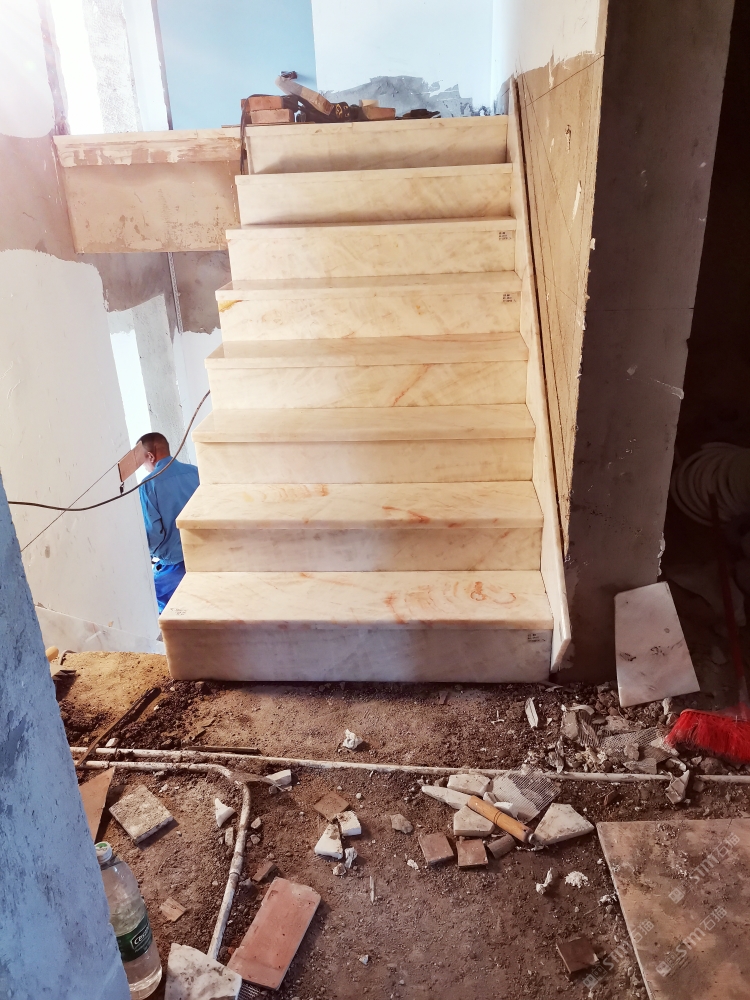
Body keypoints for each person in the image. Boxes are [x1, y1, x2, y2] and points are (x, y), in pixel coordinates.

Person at [137, 432, 199, 612]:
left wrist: (146, 555)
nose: (144, 468)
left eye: (143, 462)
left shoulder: (149, 484)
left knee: (151, 599)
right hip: (205, 554)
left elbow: (154, 535)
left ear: (150, 456)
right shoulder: (195, 472)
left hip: (176, 566)